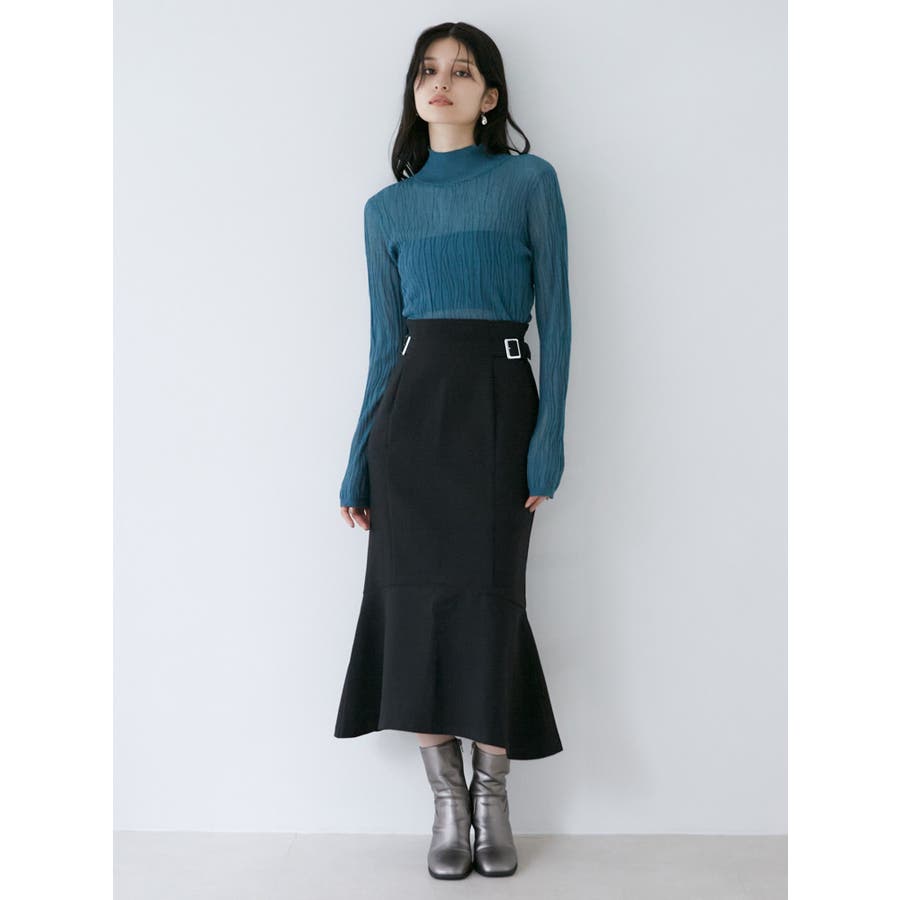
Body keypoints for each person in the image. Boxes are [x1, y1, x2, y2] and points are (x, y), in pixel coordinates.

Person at [333, 21, 572, 880]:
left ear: (490, 96)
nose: (442, 82)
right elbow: (381, 346)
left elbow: (560, 322)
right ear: (414, 90)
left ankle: (494, 796)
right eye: (428, 70)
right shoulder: (386, 209)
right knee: (411, 607)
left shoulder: (528, 182)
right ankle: (447, 803)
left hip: (500, 409)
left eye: (463, 72)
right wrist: (358, 456)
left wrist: (550, 439)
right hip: (410, 425)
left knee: (490, 604)